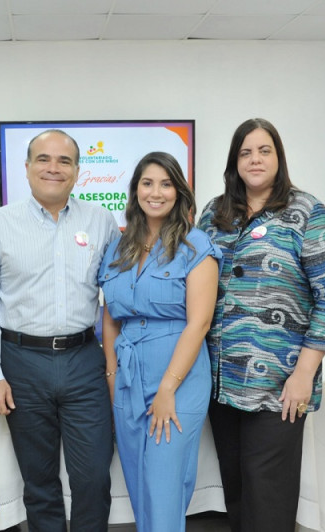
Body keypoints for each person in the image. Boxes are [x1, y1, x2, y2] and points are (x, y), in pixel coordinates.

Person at [197, 118, 325, 531]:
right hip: (220, 381)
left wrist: (304, 374)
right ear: (234, 162)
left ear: (279, 158)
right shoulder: (214, 213)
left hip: (281, 383)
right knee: (238, 491)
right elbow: (193, 282)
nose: (255, 159)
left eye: (264, 150)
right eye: (245, 152)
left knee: (269, 497)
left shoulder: (307, 212)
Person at [0, 129, 120, 532]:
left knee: (93, 478)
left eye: (64, 161)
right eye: (43, 159)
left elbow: (121, 292)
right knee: (39, 483)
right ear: (27, 167)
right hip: (20, 363)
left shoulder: (101, 221)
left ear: (77, 172)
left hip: (83, 360)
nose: (53, 168)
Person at [98, 152, 220, 531]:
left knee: (163, 482)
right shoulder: (119, 248)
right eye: (147, 183)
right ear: (135, 191)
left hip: (178, 375)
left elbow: (198, 323)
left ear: (179, 192)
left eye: (166, 184)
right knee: (137, 480)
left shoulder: (196, 245)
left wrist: (168, 387)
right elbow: (110, 315)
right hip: (128, 376)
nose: (156, 192)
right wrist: (111, 375)